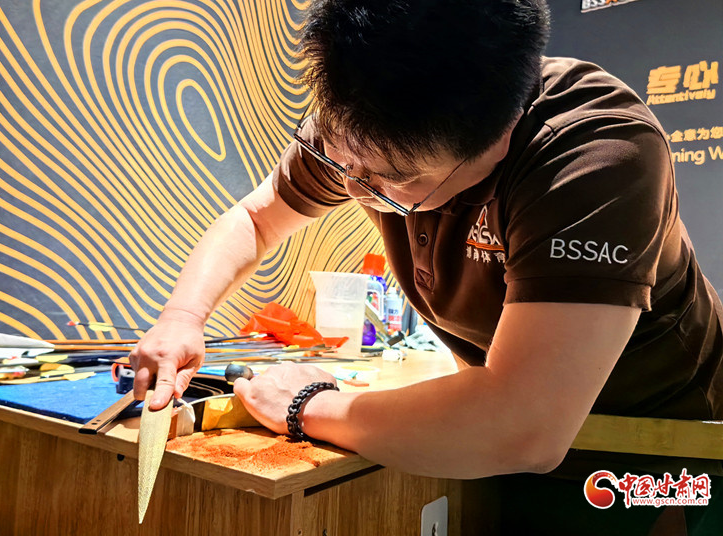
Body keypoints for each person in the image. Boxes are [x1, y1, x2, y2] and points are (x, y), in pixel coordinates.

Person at [129, 1, 723, 533]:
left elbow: (524, 426)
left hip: (651, 449)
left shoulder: (594, 154)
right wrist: (183, 317)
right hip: (495, 429)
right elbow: (256, 219)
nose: (355, 187)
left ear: (500, 136)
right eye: (342, 160)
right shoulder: (364, 121)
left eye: (390, 180)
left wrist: (305, 403)